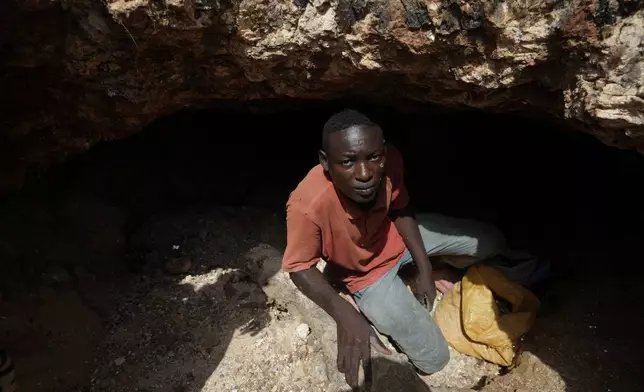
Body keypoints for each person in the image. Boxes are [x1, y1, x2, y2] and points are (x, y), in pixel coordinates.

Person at [281, 109, 505, 388]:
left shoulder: (391, 163)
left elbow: (400, 209)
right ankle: (384, 295)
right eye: (348, 162)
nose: (364, 173)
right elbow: (299, 267)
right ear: (325, 162)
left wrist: (424, 268)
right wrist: (345, 314)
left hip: (395, 240)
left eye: (373, 157)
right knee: (434, 359)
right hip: (367, 276)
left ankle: (424, 272)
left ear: (383, 152)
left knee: (491, 241)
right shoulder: (307, 204)